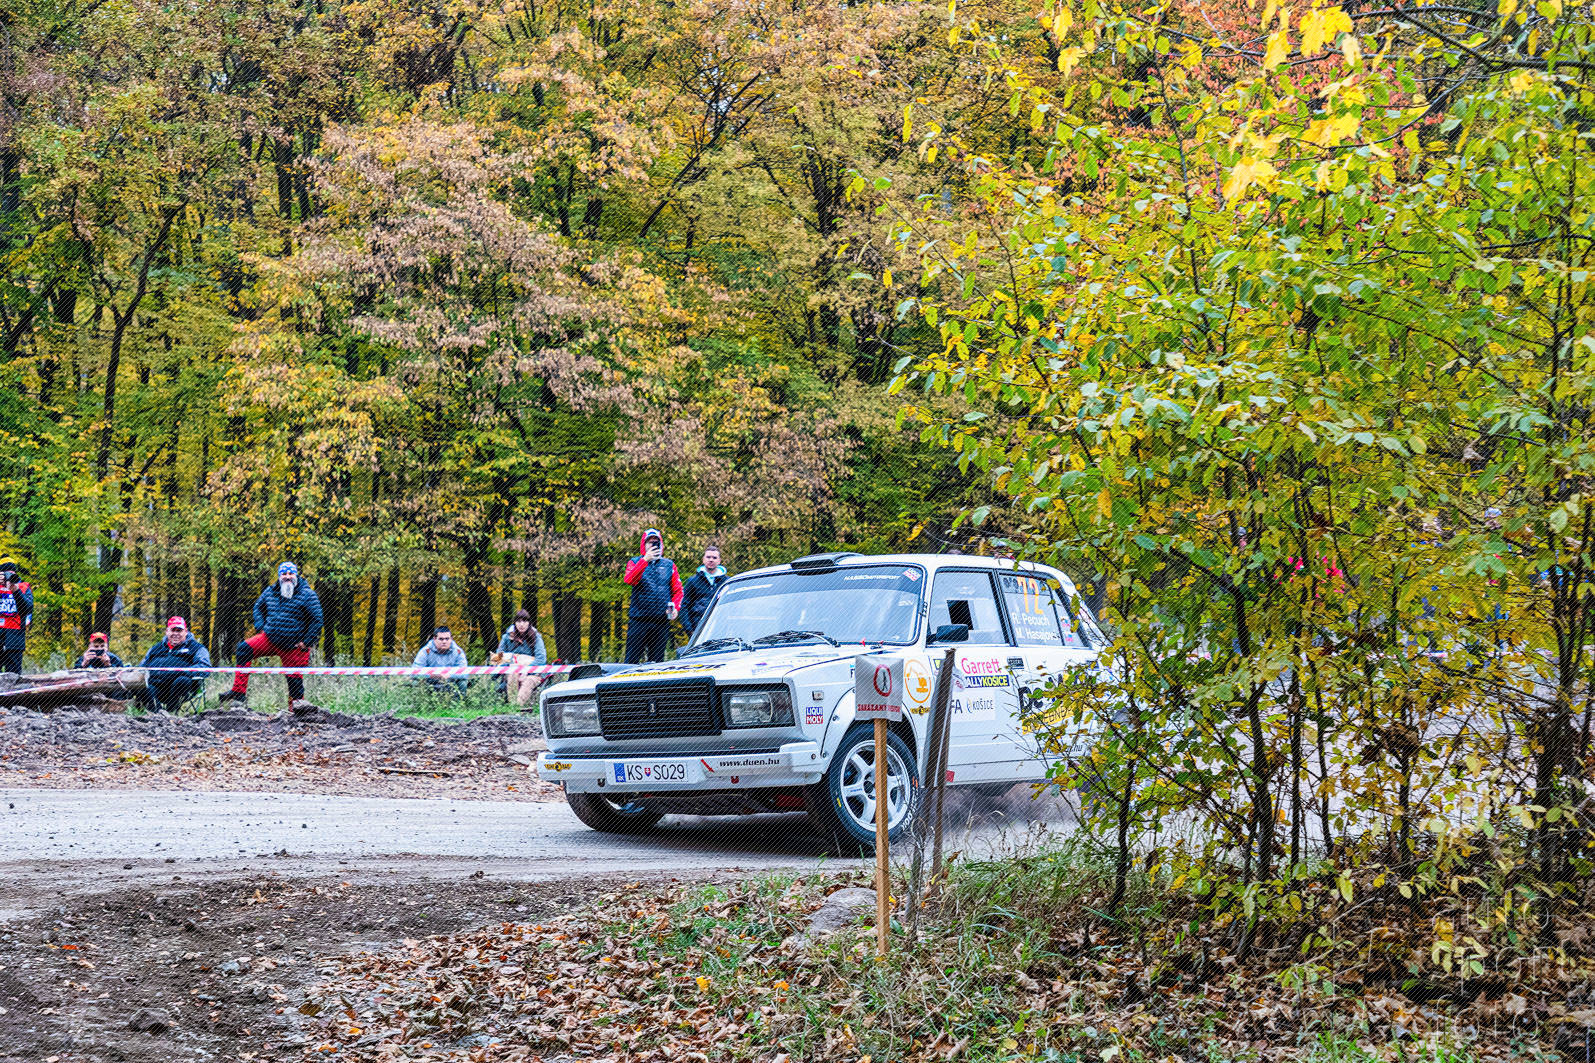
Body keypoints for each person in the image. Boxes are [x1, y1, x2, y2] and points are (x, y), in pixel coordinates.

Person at [218, 561, 322, 709]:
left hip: (293, 645)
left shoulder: (308, 594)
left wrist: (306, 642)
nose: (287, 577)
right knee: (243, 649)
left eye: (291, 573)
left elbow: (317, 620)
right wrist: (261, 627)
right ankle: (238, 694)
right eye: (284, 574)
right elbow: (258, 607)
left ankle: (296, 711)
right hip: (269, 638)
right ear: (279, 576)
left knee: (294, 683)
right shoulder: (270, 591)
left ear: (296, 575)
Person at [623, 528, 683, 663]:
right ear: (644, 545)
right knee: (631, 661)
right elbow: (629, 580)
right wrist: (645, 560)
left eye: (656, 542)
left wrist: (675, 608)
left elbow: (678, 590)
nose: (653, 545)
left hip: (661, 621)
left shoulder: (669, 565)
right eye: (650, 542)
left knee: (657, 662)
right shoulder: (635, 562)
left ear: (661, 545)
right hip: (639, 619)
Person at [137, 616, 212, 713]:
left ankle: (171, 712)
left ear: (186, 631)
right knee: (141, 685)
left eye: (179, 631)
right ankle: (158, 714)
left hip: (181, 687)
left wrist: (184, 672)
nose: (176, 634)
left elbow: (204, 667)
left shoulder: (197, 648)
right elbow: (141, 667)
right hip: (156, 686)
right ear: (167, 631)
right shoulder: (156, 648)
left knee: (182, 681)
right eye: (173, 630)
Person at [495, 609, 548, 707]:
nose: (522, 624)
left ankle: (518, 707)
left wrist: (526, 671)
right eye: (518, 621)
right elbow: (497, 658)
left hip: (533, 673)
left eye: (525, 621)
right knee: (512, 674)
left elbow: (541, 659)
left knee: (528, 682)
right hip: (512, 671)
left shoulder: (536, 637)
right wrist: (513, 664)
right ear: (515, 623)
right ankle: (512, 707)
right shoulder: (506, 637)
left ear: (529, 623)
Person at [680, 544, 728, 636]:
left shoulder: (726, 582)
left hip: (720, 627)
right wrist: (689, 629)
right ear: (703, 559)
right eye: (708, 557)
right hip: (698, 627)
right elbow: (685, 605)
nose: (711, 560)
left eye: (714, 558)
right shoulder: (693, 581)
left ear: (719, 561)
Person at [414, 625, 469, 697]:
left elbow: (464, 673)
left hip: (450, 682)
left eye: (447, 639)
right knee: (415, 682)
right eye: (441, 639)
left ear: (451, 639)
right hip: (430, 682)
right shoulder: (425, 651)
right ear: (434, 639)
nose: (444, 641)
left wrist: (449, 675)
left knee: (462, 682)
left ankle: (459, 703)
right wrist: (434, 675)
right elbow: (414, 671)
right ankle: (420, 702)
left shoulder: (458, 652)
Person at [0, 559, 33, 676]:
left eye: (12, 574)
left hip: (15, 637)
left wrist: (16, 591)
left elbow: (27, 609)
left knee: (13, 676)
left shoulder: (23, 587)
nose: (8, 578)